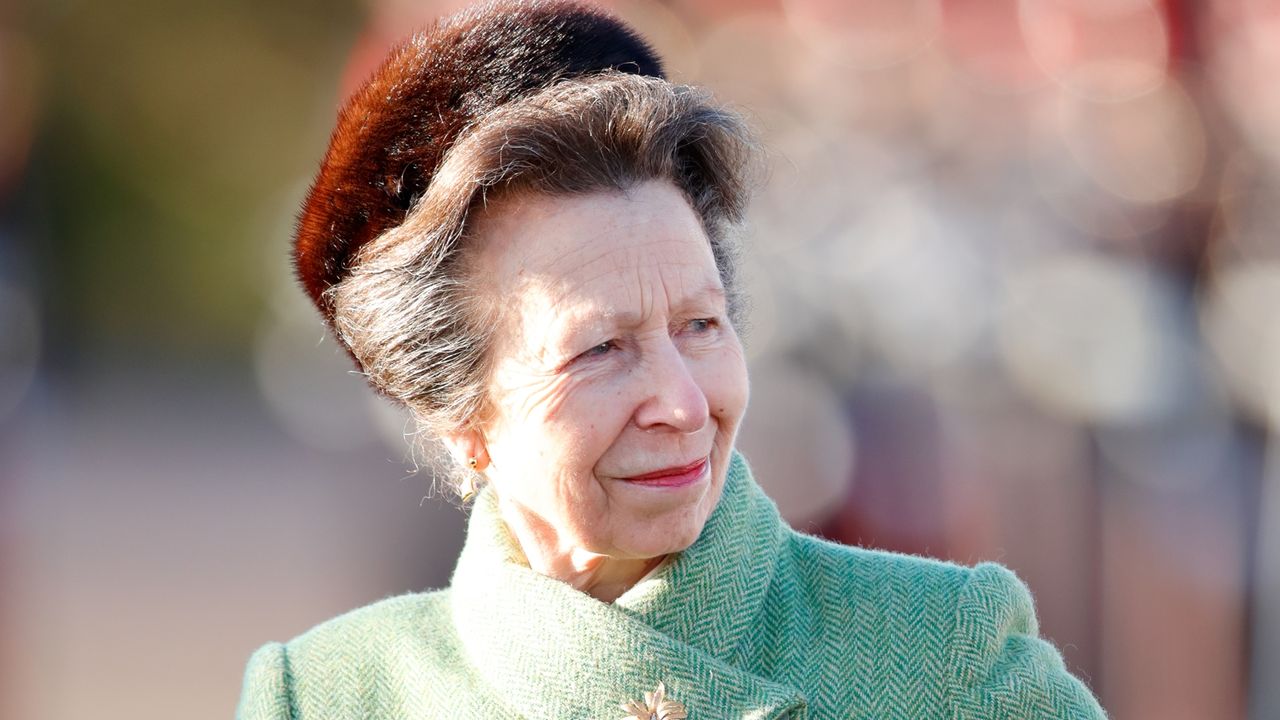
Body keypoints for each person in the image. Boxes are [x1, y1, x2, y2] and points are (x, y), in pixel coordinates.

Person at [237, 1, 1108, 718]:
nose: (684, 404)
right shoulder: (326, 696)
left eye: (701, 326)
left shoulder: (942, 656)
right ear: (462, 416)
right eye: (602, 348)